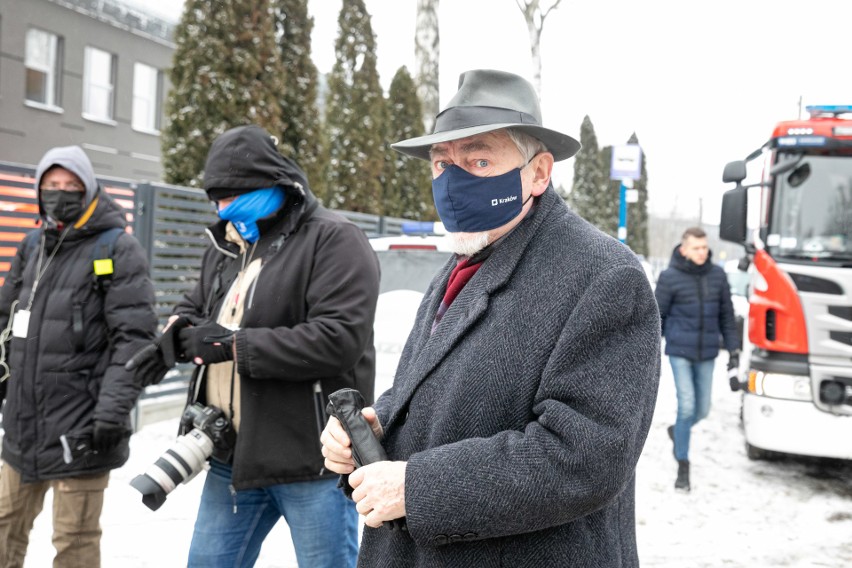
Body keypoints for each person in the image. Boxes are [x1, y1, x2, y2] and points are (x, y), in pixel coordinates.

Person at [320, 69, 661, 567]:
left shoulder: (603, 276)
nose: (454, 180)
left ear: (539, 172)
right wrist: (375, 431)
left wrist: (418, 487)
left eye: (479, 159)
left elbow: (585, 456)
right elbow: (436, 390)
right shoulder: (466, 259)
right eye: (442, 163)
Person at [127, 125, 380, 568]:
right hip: (233, 455)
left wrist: (233, 346)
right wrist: (174, 337)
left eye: (234, 194)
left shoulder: (335, 239)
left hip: (312, 459)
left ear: (275, 183)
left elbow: (338, 340)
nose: (224, 208)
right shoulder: (229, 242)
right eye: (216, 197)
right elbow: (197, 302)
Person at [0, 146, 157, 567]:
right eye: (52, 185)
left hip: (81, 430)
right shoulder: (34, 244)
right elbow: (5, 317)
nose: (61, 193)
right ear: (38, 190)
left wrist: (111, 413)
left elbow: (135, 339)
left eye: (71, 186)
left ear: (89, 189)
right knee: (3, 529)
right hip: (22, 427)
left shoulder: (117, 249)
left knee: (74, 543)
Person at [654, 226, 740, 491]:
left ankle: (678, 431)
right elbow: (657, 317)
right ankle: (683, 466)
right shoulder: (669, 277)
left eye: (704, 247)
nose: (702, 252)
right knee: (688, 405)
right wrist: (648, 352)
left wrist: (734, 352)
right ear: (684, 249)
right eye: (696, 248)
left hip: (707, 352)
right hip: (680, 351)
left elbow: (727, 315)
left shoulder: (717, 275)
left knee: (702, 410)